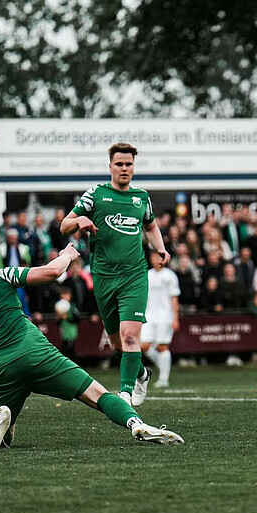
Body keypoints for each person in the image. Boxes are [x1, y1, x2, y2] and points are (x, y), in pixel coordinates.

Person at [0, 243, 183, 448]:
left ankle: (5, 416)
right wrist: (67, 255)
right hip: (34, 351)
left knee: (2, 439)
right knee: (97, 393)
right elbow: (51, 273)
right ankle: (135, 424)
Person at [60, 143, 171, 404]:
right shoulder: (96, 194)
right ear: (110, 166)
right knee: (117, 345)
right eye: (119, 164)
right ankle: (141, 373)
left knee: (130, 336)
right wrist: (79, 221)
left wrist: (161, 248)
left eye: (128, 164)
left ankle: (125, 392)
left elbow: (151, 226)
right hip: (103, 277)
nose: (124, 168)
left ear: (134, 166)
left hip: (134, 276)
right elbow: (65, 225)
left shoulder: (141, 197)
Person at [141, 250, 180, 392]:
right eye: (153, 257)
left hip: (165, 315)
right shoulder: (147, 275)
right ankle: (162, 366)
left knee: (163, 346)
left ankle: (164, 378)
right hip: (149, 315)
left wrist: (175, 317)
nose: (155, 259)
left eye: (158, 256)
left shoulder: (170, 276)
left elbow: (174, 297)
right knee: (144, 345)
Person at [54, 287, 79, 361]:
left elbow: (77, 319)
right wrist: (59, 317)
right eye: (63, 295)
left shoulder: (72, 306)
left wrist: (67, 317)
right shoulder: (59, 305)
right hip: (64, 331)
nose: (65, 297)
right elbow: (58, 321)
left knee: (70, 349)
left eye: (67, 295)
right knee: (65, 347)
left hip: (71, 331)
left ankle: (73, 363)